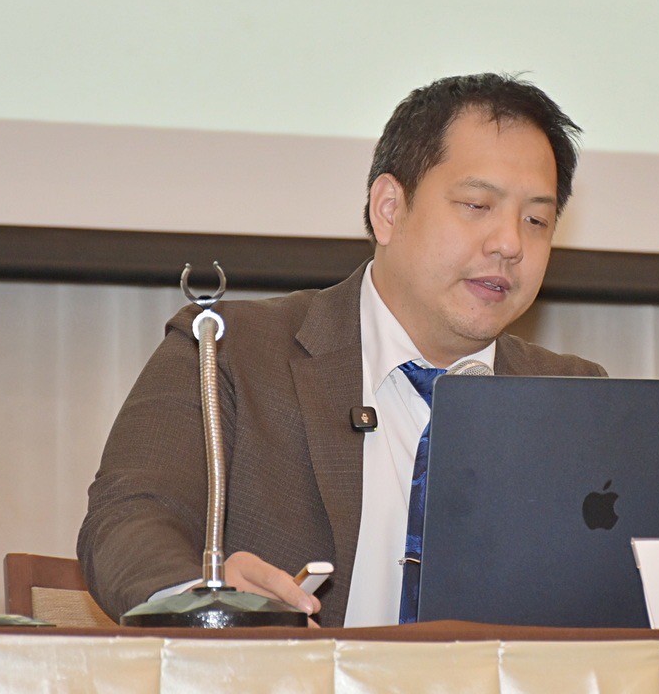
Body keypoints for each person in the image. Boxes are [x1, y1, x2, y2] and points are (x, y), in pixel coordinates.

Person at [77, 73, 606, 627]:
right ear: (389, 209)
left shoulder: (578, 398)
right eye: (477, 204)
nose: (510, 244)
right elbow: (127, 522)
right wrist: (212, 607)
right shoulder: (226, 353)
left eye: (536, 220)